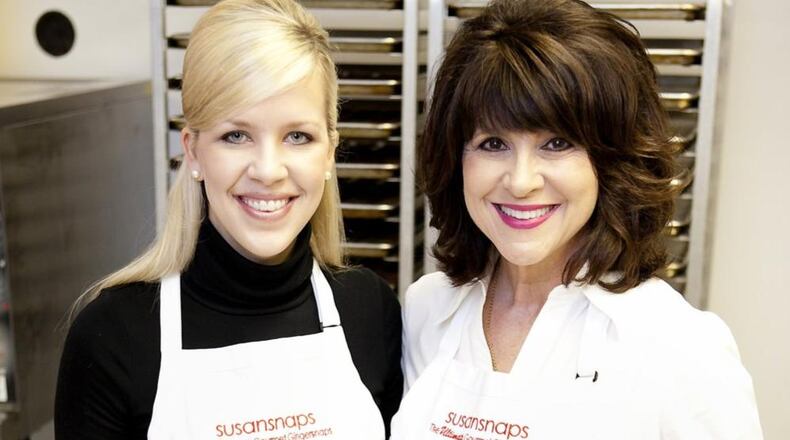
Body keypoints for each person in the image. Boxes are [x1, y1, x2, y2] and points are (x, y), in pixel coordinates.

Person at [391, 0, 762, 438]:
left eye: (557, 143)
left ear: (612, 160)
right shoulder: (428, 309)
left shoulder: (680, 345)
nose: (521, 181)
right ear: (456, 161)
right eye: (493, 144)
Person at [54, 0, 402, 438]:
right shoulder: (112, 337)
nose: (268, 170)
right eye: (236, 136)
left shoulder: (369, 309)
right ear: (193, 151)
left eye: (298, 136)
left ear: (330, 151)